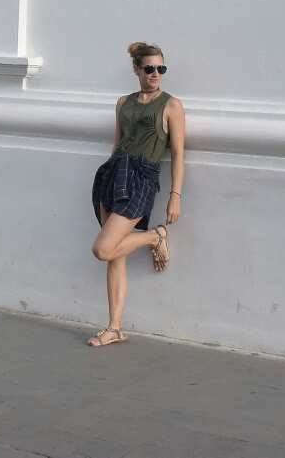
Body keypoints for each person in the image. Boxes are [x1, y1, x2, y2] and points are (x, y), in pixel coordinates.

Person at [86, 40, 185, 347]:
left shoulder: (171, 106)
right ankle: (114, 327)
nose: (155, 74)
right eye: (149, 69)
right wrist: (108, 173)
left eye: (160, 69)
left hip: (142, 179)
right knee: (115, 257)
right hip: (114, 175)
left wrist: (175, 194)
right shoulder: (123, 103)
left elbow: (179, 154)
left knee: (103, 249)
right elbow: (117, 145)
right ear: (137, 70)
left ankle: (155, 236)